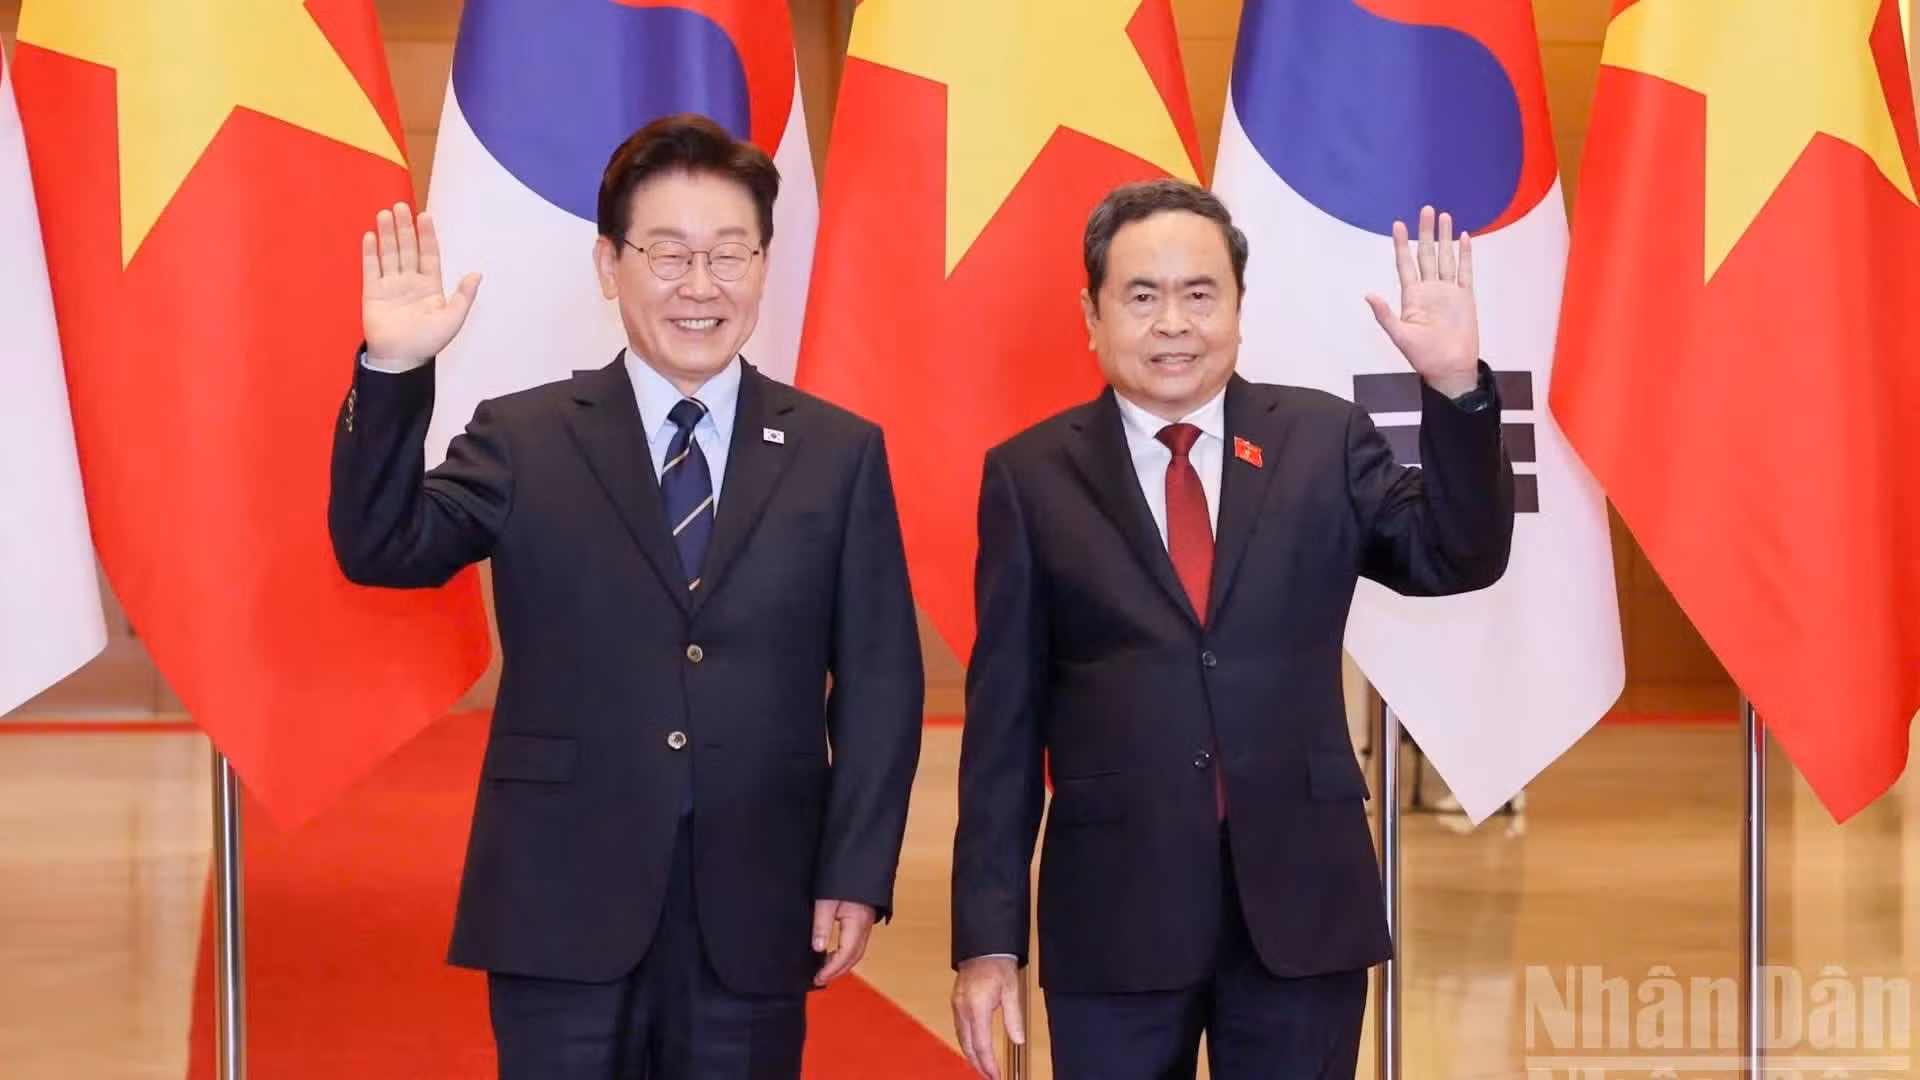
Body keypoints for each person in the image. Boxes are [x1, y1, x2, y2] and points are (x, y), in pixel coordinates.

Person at [329, 113, 925, 1080]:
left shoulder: (837, 452)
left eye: (731, 255)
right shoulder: (525, 437)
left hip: (758, 901)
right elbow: (382, 546)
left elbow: (881, 683)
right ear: (610, 265)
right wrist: (395, 368)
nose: (701, 286)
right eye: (668, 253)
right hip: (559, 896)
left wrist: (855, 871)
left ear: (765, 265)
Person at [948, 179, 1515, 1080]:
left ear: (1240, 310)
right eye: (1141, 296)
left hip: (1302, 908)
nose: (1172, 321)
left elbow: (1458, 555)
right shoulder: (1031, 478)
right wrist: (986, 939)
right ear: (1091, 315)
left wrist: (1453, 388)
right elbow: (1003, 731)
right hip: (1114, 919)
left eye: (1199, 293)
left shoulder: (1322, 440)